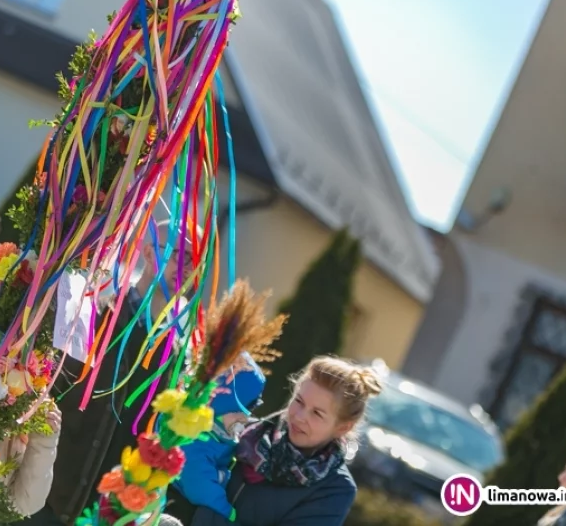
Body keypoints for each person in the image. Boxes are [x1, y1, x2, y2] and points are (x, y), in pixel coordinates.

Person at [20, 220, 195, 526]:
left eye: (194, 260)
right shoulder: (100, 312)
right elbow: (51, 387)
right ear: (149, 253)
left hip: (104, 513)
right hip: (47, 497)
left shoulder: (176, 352)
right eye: (180, 254)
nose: (187, 267)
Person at [188, 356, 381, 526]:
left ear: (343, 427)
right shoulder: (245, 434)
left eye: (317, 413)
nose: (299, 416)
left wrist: (194, 515)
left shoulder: (335, 489)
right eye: (299, 401)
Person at [167, 352, 266, 524]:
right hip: (175, 504)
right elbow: (200, 489)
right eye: (246, 408)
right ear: (222, 403)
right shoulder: (192, 439)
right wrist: (229, 514)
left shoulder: (217, 434)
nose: (246, 416)